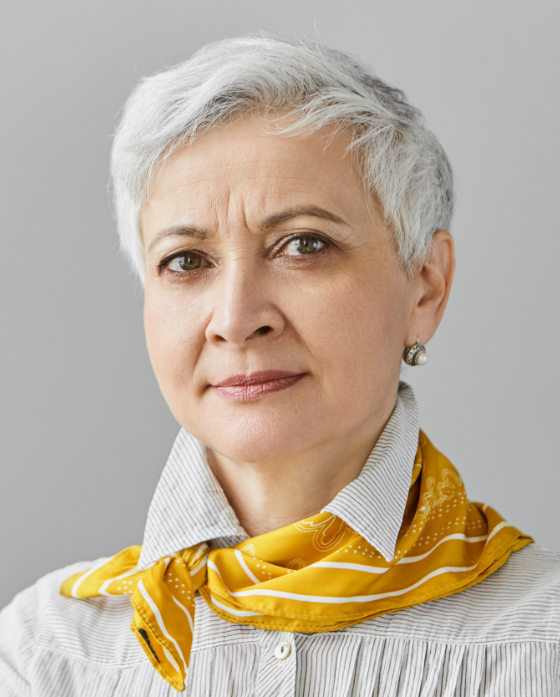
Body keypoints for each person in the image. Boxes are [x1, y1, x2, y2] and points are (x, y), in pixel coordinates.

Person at [1, 35, 559, 696]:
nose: (236, 318)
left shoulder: (541, 643)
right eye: (186, 260)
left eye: (303, 244)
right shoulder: (46, 654)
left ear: (426, 287)